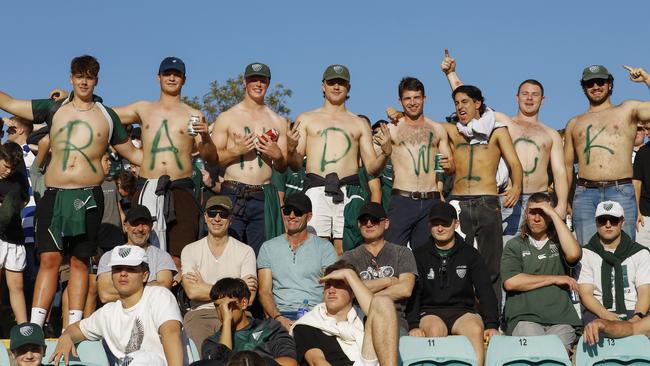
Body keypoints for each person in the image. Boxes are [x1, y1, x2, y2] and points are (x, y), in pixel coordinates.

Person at [0, 55, 142, 328]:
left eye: (89, 76)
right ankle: (35, 328)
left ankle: (73, 328)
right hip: (55, 193)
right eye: (79, 76)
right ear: (71, 78)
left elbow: (134, 154)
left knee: (80, 262)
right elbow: (8, 103)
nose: (84, 81)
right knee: (49, 259)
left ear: (97, 80)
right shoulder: (54, 108)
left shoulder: (107, 115)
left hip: (88, 194)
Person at [441, 50, 569, 245]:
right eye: (525, 94)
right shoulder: (503, 122)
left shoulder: (550, 133)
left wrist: (561, 204)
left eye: (535, 95)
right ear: (517, 97)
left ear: (543, 100)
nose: (529, 98)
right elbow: (469, 100)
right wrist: (451, 74)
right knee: (505, 250)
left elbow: (560, 172)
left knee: (540, 248)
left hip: (539, 200)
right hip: (508, 198)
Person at [115, 56, 216, 262]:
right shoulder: (143, 108)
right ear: (158, 77)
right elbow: (107, 117)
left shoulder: (193, 114)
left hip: (181, 187)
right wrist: (131, 152)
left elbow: (210, 156)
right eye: (167, 74)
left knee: (180, 255)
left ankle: (174, 294)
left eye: (176, 75)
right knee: (141, 251)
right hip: (148, 185)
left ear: (184, 79)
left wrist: (205, 136)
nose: (172, 78)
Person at [287, 64, 392, 254]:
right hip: (317, 189)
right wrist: (291, 149)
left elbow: (371, 169)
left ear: (348, 88)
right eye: (332, 82)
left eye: (341, 83)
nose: (336, 87)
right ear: (323, 86)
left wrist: (385, 153)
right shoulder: (307, 118)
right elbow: (295, 164)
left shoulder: (359, 123)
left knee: (347, 249)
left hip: (349, 191)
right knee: (315, 249)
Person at [441, 83, 523, 305]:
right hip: (458, 201)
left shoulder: (497, 131)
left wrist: (516, 187)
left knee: (490, 266)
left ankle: (492, 319)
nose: (460, 107)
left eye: (465, 102)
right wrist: (399, 115)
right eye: (456, 103)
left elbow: (515, 163)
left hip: (487, 201)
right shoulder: (452, 130)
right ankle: (461, 313)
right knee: (456, 263)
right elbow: (425, 126)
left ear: (478, 104)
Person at [51, 245, 188, 366]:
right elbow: (77, 329)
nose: (123, 273)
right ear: (111, 276)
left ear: (145, 275)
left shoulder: (159, 296)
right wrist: (66, 336)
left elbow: (171, 333)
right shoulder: (108, 313)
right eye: (118, 269)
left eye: (131, 269)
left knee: (142, 359)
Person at [564, 65, 650, 245]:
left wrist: (646, 79)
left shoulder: (627, 109)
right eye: (590, 83)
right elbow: (567, 166)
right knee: (587, 253)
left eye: (600, 81)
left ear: (609, 84)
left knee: (624, 252)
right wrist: (564, 201)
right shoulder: (574, 123)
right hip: (584, 194)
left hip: (620, 190)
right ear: (584, 88)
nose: (595, 86)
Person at [407, 202, 499, 366]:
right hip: (430, 312)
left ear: (455, 224)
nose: (440, 228)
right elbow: (415, 292)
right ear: (429, 225)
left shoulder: (471, 254)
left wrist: (492, 324)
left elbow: (485, 290)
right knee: (435, 331)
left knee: (475, 330)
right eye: (436, 224)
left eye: (445, 224)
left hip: (463, 311)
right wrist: (413, 324)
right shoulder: (419, 255)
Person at [211, 63, 288, 255]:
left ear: (268, 83)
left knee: (262, 256)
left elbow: (283, 164)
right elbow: (213, 159)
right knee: (228, 252)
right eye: (253, 79)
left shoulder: (277, 120)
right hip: (233, 191)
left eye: (262, 80)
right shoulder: (227, 117)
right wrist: (235, 150)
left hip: (262, 195)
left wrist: (277, 154)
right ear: (245, 82)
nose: (258, 84)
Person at [501, 193, 582, 350]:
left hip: (562, 319)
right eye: (533, 213)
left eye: (543, 213)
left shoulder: (560, 242)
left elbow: (574, 254)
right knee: (537, 350)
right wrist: (555, 279)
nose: (537, 218)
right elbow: (511, 282)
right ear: (526, 214)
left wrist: (553, 213)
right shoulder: (515, 245)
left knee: (556, 354)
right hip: (525, 318)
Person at [382, 77, 454, 249]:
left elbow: (449, 165)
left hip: (431, 200)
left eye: (417, 98)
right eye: (407, 98)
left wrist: (448, 167)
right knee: (392, 253)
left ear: (424, 99)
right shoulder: (392, 128)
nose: (412, 103)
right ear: (400, 101)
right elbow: (373, 165)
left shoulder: (437, 128)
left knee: (426, 258)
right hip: (402, 200)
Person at [181, 196, 257, 353]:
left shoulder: (246, 251)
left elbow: (249, 298)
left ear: (231, 219)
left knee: (243, 356)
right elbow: (192, 291)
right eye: (212, 213)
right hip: (201, 315)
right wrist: (235, 288)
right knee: (203, 356)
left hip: (236, 312)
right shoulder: (190, 250)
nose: (217, 218)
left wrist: (204, 287)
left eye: (222, 214)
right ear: (205, 217)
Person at [292, 260, 399, 366]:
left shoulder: (365, 318)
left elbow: (380, 310)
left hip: (370, 362)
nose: (331, 290)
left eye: (339, 284)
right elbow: (317, 362)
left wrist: (349, 275)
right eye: (328, 285)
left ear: (353, 291)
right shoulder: (307, 324)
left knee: (383, 302)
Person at [257, 193, 337, 330]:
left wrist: (319, 317)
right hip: (280, 315)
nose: (291, 216)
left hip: (314, 314)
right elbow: (265, 292)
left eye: (298, 212)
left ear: (309, 216)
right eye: (287, 211)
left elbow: (332, 287)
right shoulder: (268, 247)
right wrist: (278, 318)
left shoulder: (324, 248)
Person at [341, 202, 417, 332]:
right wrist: (387, 281)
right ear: (359, 225)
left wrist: (361, 292)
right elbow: (347, 291)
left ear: (386, 223)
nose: (369, 224)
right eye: (364, 221)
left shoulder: (402, 253)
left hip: (393, 320)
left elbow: (405, 289)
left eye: (374, 220)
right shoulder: (349, 257)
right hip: (358, 321)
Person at [577, 200, 650, 324]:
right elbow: (585, 293)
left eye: (614, 220)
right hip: (598, 311)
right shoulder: (586, 253)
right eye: (602, 220)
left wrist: (637, 317)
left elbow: (645, 291)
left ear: (622, 222)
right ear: (596, 223)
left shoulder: (640, 253)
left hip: (633, 310)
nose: (608, 224)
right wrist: (606, 315)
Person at [202, 277, 298, 366]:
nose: (223, 311)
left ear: (243, 303)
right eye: (218, 306)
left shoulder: (270, 329)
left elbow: (290, 362)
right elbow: (220, 363)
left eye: (228, 305)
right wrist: (227, 322)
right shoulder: (212, 342)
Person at [96, 204, 176, 303]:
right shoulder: (109, 256)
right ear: (125, 227)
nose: (140, 229)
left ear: (151, 227)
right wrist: (147, 286)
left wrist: (124, 289)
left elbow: (164, 288)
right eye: (135, 223)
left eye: (144, 224)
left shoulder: (162, 256)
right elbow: (106, 295)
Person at [0, 143, 30, 324]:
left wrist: (11, 207)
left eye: (12, 168)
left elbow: (24, 200)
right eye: (5, 166)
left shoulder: (18, 178)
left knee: (17, 286)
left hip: (14, 236)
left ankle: (24, 330)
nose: (8, 171)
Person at [633, 120, 650, 247]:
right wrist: (637, 211)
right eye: (645, 129)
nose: (647, 133)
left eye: (649, 129)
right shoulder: (643, 152)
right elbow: (636, 183)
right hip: (645, 216)